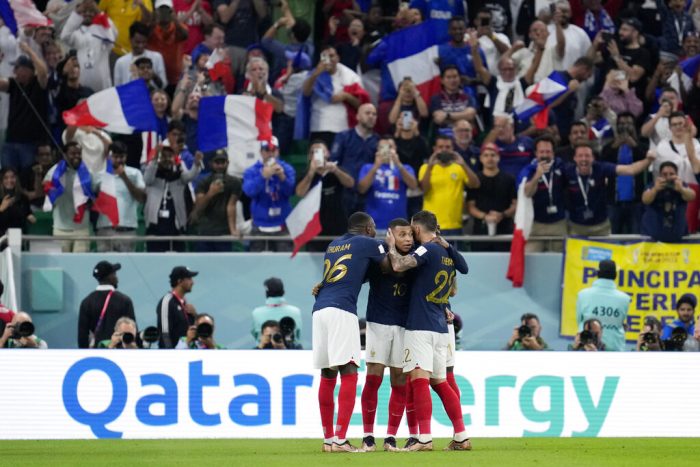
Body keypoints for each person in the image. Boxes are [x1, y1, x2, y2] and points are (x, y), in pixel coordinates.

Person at [385, 210, 471, 451]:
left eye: (412, 230)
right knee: (441, 382)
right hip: (441, 327)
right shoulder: (445, 252)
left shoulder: (427, 249)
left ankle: (424, 438)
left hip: (420, 326)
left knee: (419, 380)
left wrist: (392, 246)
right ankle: (462, 436)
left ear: (418, 228)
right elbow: (454, 286)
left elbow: (401, 264)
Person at [313, 212, 387, 453]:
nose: (376, 231)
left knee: (327, 373)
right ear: (367, 228)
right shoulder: (369, 243)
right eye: (374, 227)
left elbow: (354, 273)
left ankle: (328, 439)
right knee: (350, 370)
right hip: (342, 310)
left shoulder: (333, 245)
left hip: (320, 309)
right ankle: (341, 439)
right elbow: (389, 267)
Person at [360, 218, 414, 452]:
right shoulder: (377, 252)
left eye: (410, 234)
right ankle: (368, 435)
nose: (408, 239)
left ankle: (391, 436)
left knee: (400, 381)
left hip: (404, 325)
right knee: (373, 377)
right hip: (378, 322)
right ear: (390, 234)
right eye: (402, 234)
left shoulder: (416, 256)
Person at [565, 142, 655, 236]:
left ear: (593, 158)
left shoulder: (601, 168)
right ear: (574, 158)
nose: (584, 159)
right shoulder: (567, 171)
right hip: (576, 227)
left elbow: (630, 170)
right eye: (580, 156)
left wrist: (648, 160)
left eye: (587, 155)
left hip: (600, 227)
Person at [295, 140, 355, 251]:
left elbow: (350, 183)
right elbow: (300, 193)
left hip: (338, 227)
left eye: (321, 151)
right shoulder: (306, 174)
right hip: (315, 230)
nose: (317, 154)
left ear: (327, 153)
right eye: (314, 152)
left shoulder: (336, 170)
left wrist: (335, 170)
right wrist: (311, 172)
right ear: (309, 156)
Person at [302, 45, 364, 148]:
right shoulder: (314, 74)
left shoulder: (351, 76)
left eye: (332, 56)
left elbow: (361, 104)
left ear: (338, 58)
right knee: (319, 161)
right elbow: (306, 93)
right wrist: (316, 74)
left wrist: (346, 96)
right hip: (319, 127)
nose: (329, 60)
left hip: (343, 128)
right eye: (325, 56)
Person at [144, 144, 203, 252]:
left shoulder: (179, 176)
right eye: (164, 156)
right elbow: (147, 179)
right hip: (155, 227)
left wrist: (196, 163)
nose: (167, 159)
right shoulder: (152, 176)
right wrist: (156, 157)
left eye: (170, 156)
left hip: (175, 228)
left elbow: (190, 176)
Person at [419, 135, 480, 238]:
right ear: (435, 149)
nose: (444, 150)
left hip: (454, 224)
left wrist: (464, 164)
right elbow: (424, 189)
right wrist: (430, 166)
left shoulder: (459, 168)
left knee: (451, 254)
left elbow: (475, 184)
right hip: (430, 225)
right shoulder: (425, 168)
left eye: (447, 147)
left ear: (453, 149)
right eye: (440, 147)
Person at [0, 43, 49, 171]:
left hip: (30, 143)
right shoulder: (13, 84)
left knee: (28, 176)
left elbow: (43, 71)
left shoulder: (38, 85)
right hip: (11, 140)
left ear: (28, 70)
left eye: (17, 68)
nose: (14, 71)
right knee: (8, 177)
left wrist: (29, 51)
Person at [242, 137, 295, 252]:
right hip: (260, 225)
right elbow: (248, 191)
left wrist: (282, 177)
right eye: (267, 150)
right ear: (261, 152)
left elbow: (291, 191)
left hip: (282, 224)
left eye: (273, 150)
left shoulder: (287, 169)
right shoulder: (252, 171)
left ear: (278, 151)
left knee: (284, 263)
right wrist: (262, 177)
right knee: (258, 264)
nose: (270, 154)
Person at [601, 113, 647, 235]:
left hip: (635, 201)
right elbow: (603, 160)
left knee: (635, 235)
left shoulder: (641, 146)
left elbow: (645, 159)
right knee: (611, 236)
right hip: (613, 201)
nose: (625, 127)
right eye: (621, 124)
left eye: (628, 123)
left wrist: (634, 145)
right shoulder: (609, 147)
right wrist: (616, 145)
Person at [357, 137, 417, 232]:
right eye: (383, 147)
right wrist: (376, 166)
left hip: (399, 225)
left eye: (390, 147)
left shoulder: (405, 168)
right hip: (374, 225)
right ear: (377, 150)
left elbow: (413, 186)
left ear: (395, 148)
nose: (387, 150)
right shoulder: (368, 167)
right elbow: (361, 189)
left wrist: (398, 164)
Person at [43, 141, 94, 253]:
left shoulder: (88, 173)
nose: (77, 156)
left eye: (79, 153)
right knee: (62, 266)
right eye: (73, 153)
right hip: (61, 228)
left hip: (82, 229)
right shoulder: (55, 172)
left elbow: (95, 194)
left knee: (81, 265)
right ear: (64, 155)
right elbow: (45, 188)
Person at [96, 142, 146, 252]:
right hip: (105, 229)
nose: (119, 160)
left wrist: (124, 177)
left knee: (127, 267)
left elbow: (141, 198)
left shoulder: (135, 173)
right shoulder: (100, 175)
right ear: (109, 156)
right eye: (115, 157)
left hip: (127, 230)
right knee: (105, 267)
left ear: (126, 156)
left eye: (122, 157)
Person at [654, 112, 700, 233]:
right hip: (670, 191)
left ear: (686, 125)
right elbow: (658, 172)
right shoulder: (662, 146)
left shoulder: (696, 144)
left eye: (681, 123)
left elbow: (696, 166)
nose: (678, 127)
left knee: (691, 228)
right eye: (674, 124)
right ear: (670, 128)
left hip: (693, 190)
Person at [519, 136, 567, 252]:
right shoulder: (528, 170)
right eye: (541, 152)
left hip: (558, 224)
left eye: (548, 151)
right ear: (536, 153)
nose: (545, 155)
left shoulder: (561, 167)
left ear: (553, 153)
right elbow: (527, 193)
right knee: (531, 260)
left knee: (558, 262)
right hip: (536, 224)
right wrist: (537, 175)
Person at [329, 103, 379, 213]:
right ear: (357, 116)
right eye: (367, 113)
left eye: (374, 114)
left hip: (368, 193)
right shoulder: (343, 137)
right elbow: (333, 162)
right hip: (344, 192)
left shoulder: (378, 141)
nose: (371, 116)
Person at [466, 143, 516, 251]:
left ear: (498, 157)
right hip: (480, 230)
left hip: (504, 228)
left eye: (493, 155)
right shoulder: (475, 180)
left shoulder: (509, 179)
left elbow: (515, 204)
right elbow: (470, 206)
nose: (490, 158)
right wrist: (485, 216)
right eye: (486, 155)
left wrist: (502, 215)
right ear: (481, 158)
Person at [59, 0, 117, 92]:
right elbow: (64, 36)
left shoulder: (104, 33)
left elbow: (112, 36)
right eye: (84, 11)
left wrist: (99, 11)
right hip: (83, 84)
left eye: (91, 11)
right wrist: (77, 13)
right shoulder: (77, 35)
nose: (88, 14)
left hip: (103, 86)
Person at [190, 150, 241, 251]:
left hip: (224, 233)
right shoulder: (203, 182)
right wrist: (210, 193)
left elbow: (231, 206)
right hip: (205, 232)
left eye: (223, 162)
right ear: (210, 163)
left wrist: (233, 230)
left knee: (224, 265)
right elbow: (198, 208)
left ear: (227, 163)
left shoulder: (235, 182)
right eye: (217, 163)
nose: (220, 166)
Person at [77, 261, 136, 348]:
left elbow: (82, 336)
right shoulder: (124, 301)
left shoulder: (86, 302)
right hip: (120, 352)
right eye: (115, 274)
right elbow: (132, 330)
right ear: (110, 277)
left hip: (97, 353)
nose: (117, 278)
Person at [576, 260, 630, 351]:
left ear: (598, 273)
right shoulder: (625, 299)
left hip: (587, 348)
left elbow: (580, 321)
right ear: (615, 275)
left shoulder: (583, 294)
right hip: (615, 350)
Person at [642, 161, 696, 242]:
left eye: (671, 174)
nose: (668, 177)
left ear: (676, 175)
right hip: (653, 237)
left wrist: (681, 189)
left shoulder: (681, 185)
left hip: (677, 236)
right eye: (665, 174)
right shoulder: (653, 185)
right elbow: (645, 200)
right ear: (660, 175)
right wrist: (655, 189)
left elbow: (692, 196)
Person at [147, 0, 190, 89]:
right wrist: (154, 19)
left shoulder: (178, 28)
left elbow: (185, 35)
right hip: (155, 77)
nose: (164, 14)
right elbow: (146, 34)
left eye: (167, 10)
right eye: (161, 10)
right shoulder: (151, 28)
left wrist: (175, 19)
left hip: (175, 78)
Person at [113, 21, 167, 86]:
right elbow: (118, 88)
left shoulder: (157, 57)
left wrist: (153, 76)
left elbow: (163, 85)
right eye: (137, 42)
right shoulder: (121, 62)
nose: (140, 46)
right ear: (130, 39)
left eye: (144, 42)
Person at [157, 266, 198, 349]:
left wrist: (195, 315)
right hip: (174, 357)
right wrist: (171, 356)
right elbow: (165, 333)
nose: (193, 282)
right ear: (180, 281)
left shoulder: (185, 304)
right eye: (189, 278)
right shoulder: (167, 301)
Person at [251, 277, 302, 343]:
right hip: (290, 352)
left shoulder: (256, 313)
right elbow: (297, 336)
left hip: (264, 352)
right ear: (283, 292)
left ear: (266, 293)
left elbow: (256, 336)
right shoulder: (296, 312)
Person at [483, 114, 534, 180]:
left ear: (512, 127)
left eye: (503, 126)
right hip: (501, 185)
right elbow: (484, 150)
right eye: (497, 127)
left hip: (524, 184)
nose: (500, 130)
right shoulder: (494, 145)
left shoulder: (527, 142)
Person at [429, 65, 477, 130]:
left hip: (464, 134)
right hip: (444, 137)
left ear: (460, 78)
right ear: (442, 80)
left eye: (455, 77)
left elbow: (470, 115)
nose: (452, 80)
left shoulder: (468, 97)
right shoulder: (436, 99)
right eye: (448, 77)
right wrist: (463, 116)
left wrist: (447, 115)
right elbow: (439, 119)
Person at [0, 168, 35, 237]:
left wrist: (29, 216)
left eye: (12, 177)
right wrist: (1, 208)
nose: (9, 180)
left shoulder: (23, 198)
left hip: (18, 236)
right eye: (6, 178)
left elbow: (27, 213)